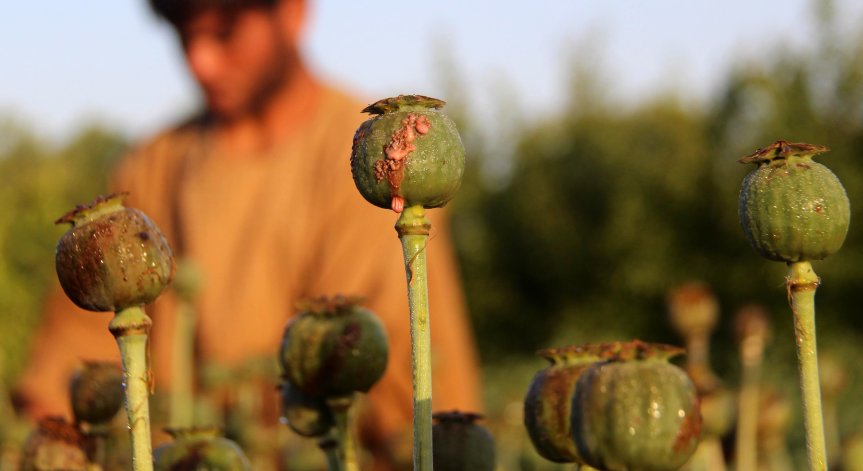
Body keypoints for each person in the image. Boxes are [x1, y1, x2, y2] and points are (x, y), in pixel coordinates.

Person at [15, 0, 482, 468]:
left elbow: (405, 393)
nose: (200, 61)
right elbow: (66, 370)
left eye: (224, 33)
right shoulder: (151, 167)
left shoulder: (374, 158)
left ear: (294, 13)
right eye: (185, 35)